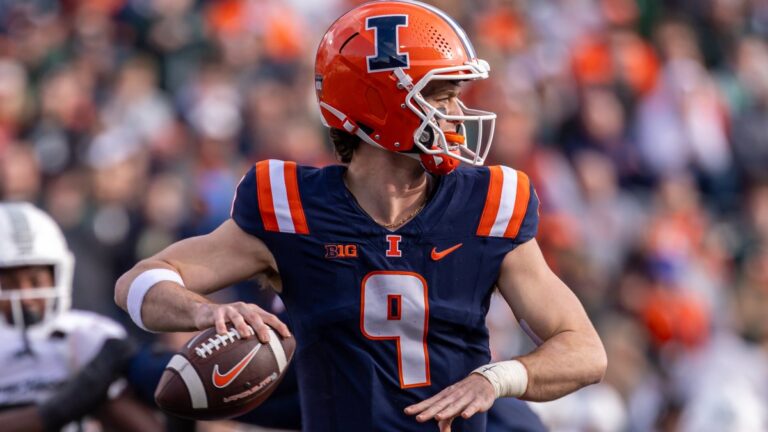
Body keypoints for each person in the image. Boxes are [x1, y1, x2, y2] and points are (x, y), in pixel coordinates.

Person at [114, 1, 607, 431]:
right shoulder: (292, 208)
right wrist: (205, 310)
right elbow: (138, 284)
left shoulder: (489, 203)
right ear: (380, 103)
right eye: (441, 95)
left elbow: (585, 351)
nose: (457, 113)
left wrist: (496, 379)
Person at [0, 202, 162, 432]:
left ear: (58, 275)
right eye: (7, 284)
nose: (26, 297)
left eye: (36, 282)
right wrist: (69, 403)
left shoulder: (84, 335)